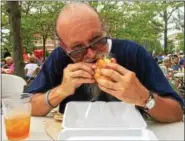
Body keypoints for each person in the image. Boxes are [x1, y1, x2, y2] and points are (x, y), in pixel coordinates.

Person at [27, 2, 183, 123]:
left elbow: (176, 112)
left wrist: (144, 97)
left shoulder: (134, 53)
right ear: (64, 47)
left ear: (104, 29)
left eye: (96, 40)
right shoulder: (59, 58)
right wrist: (60, 91)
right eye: (77, 49)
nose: (92, 53)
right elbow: (27, 106)